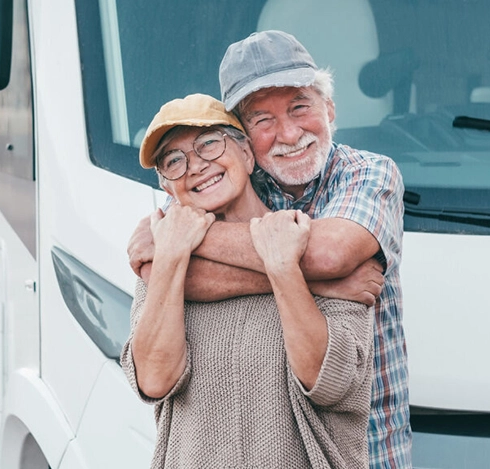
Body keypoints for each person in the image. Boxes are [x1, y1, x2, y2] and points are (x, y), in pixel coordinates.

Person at [127, 31, 410, 468]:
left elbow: (331, 256)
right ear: (247, 141)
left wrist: (174, 249)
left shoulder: (367, 174)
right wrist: (316, 281)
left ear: (330, 108)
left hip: (367, 449)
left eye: (300, 106)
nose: (289, 132)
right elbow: (155, 281)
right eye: (263, 119)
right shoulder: (195, 197)